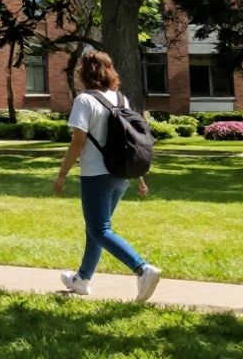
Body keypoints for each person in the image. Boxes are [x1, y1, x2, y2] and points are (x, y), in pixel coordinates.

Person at [53, 50, 162, 303]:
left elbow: (78, 141)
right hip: (120, 174)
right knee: (96, 228)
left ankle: (142, 269)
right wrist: (140, 176)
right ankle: (82, 279)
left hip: (95, 174)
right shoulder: (120, 99)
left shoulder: (84, 100)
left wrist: (61, 175)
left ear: (84, 72)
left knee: (99, 228)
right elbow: (131, 141)